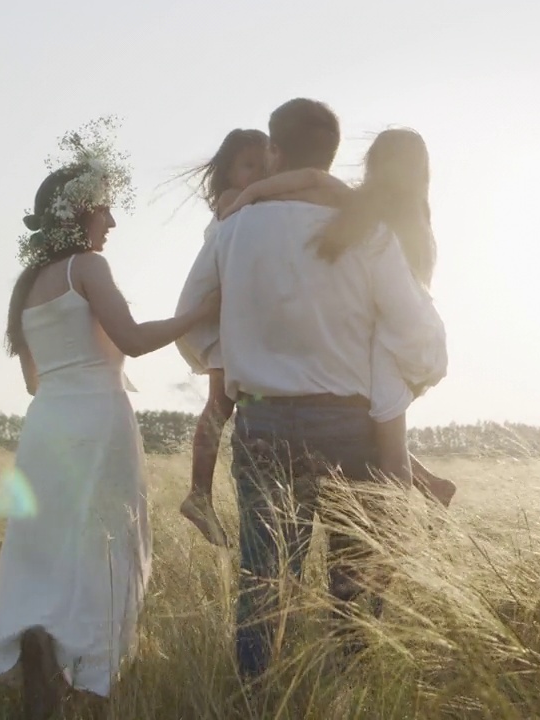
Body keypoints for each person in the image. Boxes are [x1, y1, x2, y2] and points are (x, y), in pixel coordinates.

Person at [175, 98, 448, 679]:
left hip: (261, 424)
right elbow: (418, 336)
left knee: (264, 588)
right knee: (354, 592)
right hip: (349, 431)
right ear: (332, 154)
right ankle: (342, 696)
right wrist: (402, 386)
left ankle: (255, 704)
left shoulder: (234, 226)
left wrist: (236, 360)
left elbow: (192, 319)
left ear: (275, 150)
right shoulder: (364, 230)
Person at [0, 122, 219, 720]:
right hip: (98, 420)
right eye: (105, 208)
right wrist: (197, 314)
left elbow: (32, 381)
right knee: (103, 547)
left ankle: (40, 652)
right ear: (80, 212)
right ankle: (94, 684)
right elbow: (130, 336)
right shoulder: (87, 267)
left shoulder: (26, 287)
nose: (112, 222)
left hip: (46, 425)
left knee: (44, 554)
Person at [218, 128, 457, 508]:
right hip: (412, 335)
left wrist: (250, 194)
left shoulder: (362, 206)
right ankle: (414, 510)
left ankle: (402, 520)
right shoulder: (417, 218)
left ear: (372, 163)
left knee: (389, 441)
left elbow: (312, 178)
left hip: (388, 338)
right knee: (387, 434)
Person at [174, 128, 269, 547]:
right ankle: (198, 494)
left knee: (226, 402)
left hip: (228, 307)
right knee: (220, 404)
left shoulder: (252, 200)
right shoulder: (232, 199)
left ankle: (201, 494)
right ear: (229, 172)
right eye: (250, 165)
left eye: (266, 166)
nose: (260, 174)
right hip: (216, 310)